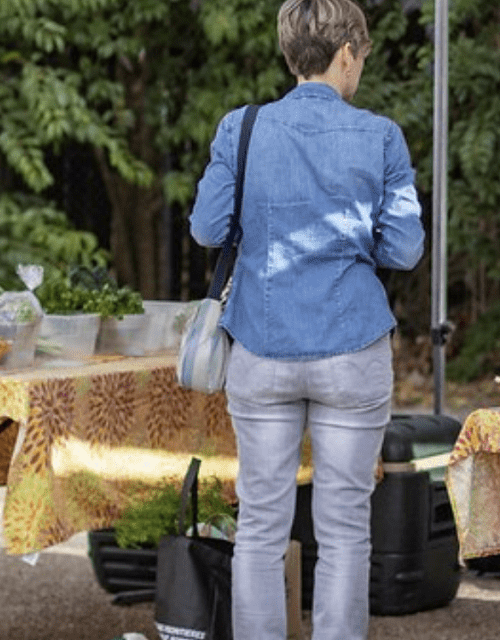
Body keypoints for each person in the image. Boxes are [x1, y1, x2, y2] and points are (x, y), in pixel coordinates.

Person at [189, 1, 425, 638]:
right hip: (351, 349)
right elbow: (404, 249)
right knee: (345, 528)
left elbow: (208, 227)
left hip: (262, 349)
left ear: (291, 54)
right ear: (347, 51)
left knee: (261, 528)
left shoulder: (241, 128)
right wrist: (353, 242)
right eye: (363, 56)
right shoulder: (379, 136)